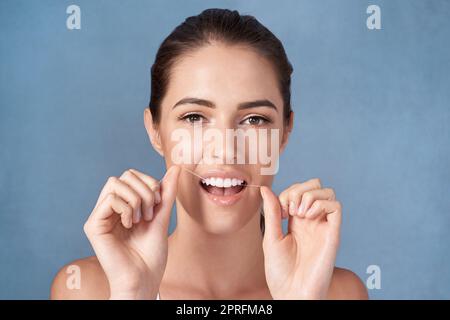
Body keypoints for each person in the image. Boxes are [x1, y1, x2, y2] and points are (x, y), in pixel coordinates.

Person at [51, 8, 368, 300]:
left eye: (254, 119)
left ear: (285, 131)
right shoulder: (87, 289)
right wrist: (132, 292)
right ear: (155, 130)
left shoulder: (339, 293)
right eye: (194, 117)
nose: (226, 151)